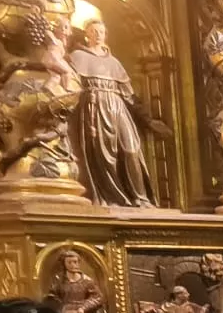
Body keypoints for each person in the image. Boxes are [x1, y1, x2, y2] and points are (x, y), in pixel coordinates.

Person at [68, 21, 159, 208]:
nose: (98, 34)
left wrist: (148, 120)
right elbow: (70, 85)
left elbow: (129, 95)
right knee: (103, 155)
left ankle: (140, 198)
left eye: (102, 31)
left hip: (117, 107)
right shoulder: (77, 57)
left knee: (131, 149)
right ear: (87, 34)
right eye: (94, 31)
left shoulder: (114, 62)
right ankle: (113, 197)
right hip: (94, 108)